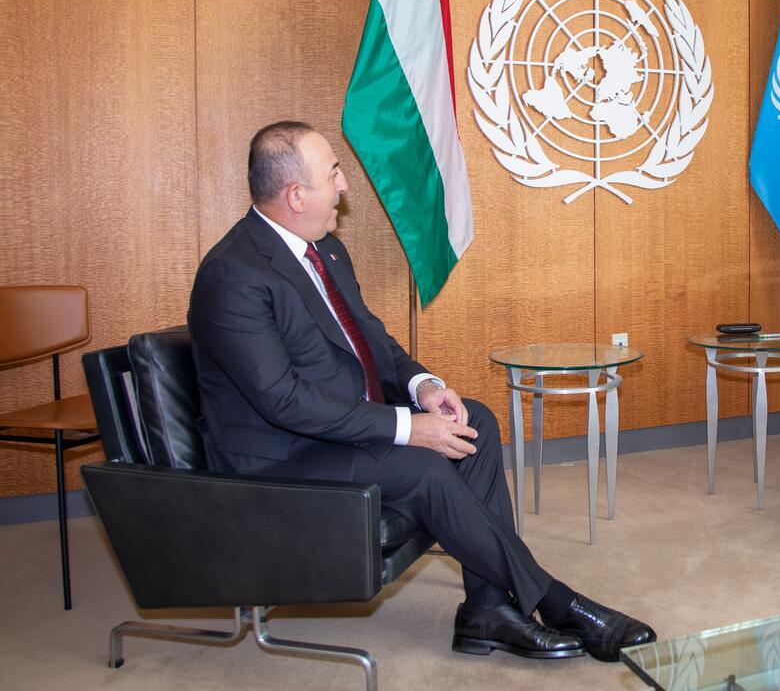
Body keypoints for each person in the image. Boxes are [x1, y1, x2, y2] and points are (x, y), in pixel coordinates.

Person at [188, 121, 654, 662]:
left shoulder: (327, 252)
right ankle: (557, 600)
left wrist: (423, 386)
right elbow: (282, 400)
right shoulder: (233, 274)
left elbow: (371, 340)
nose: (343, 185)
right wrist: (409, 428)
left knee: (473, 423)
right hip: (280, 459)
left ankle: (486, 609)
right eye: (333, 173)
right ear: (296, 195)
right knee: (424, 466)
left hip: (338, 431)